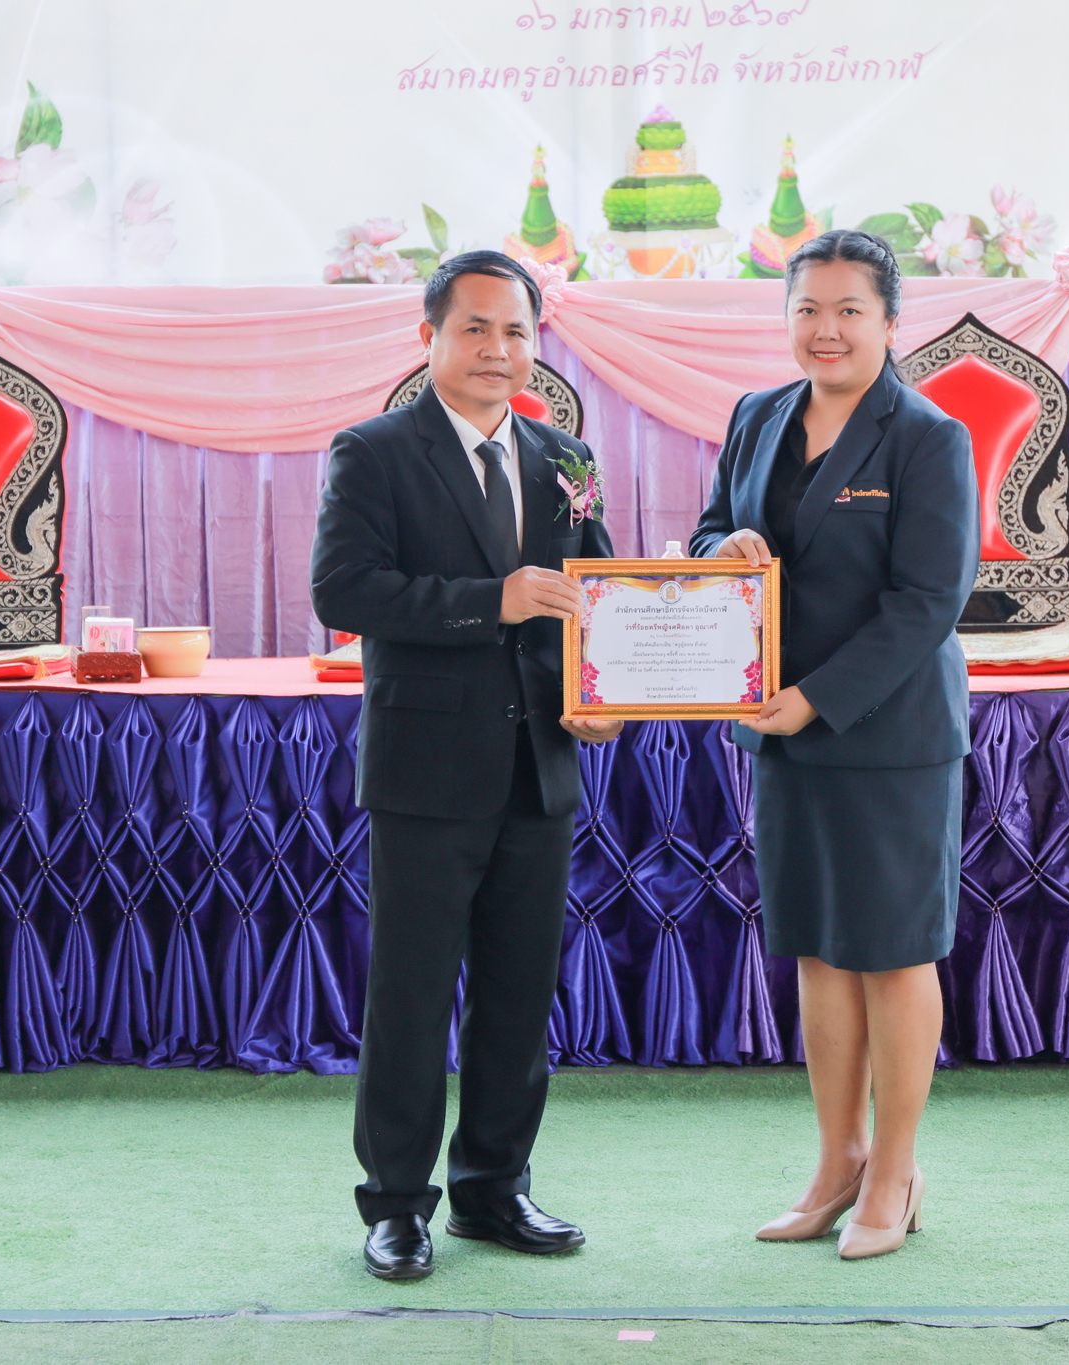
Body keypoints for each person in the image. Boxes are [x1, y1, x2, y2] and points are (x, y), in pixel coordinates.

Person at [311, 251, 622, 1282]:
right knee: (409, 997)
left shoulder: (567, 457)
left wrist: (601, 693)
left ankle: (493, 1188)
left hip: (541, 765)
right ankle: (397, 1204)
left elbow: (595, 592)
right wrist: (493, 599)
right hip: (426, 770)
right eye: (475, 328)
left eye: (516, 331)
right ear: (429, 338)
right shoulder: (373, 451)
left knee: (519, 995)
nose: (498, 349)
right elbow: (344, 590)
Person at [690, 229, 976, 1260]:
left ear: (890, 322)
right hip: (782, 729)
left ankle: (894, 1171)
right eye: (808, 309)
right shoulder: (756, 416)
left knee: (892, 955)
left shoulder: (928, 436)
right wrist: (720, 546)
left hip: (887, 734)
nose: (827, 329)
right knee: (816, 950)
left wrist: (817, 698)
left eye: (850, 310)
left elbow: (927, 601)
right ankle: (835, 1162)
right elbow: (706, 532)